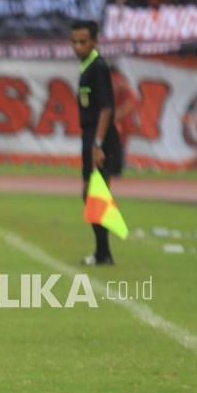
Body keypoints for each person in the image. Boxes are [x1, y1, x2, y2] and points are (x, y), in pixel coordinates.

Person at [70, 20, 123, 266]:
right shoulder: (87, 66)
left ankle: (104, 254)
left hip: (99, 138)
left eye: (83, 41)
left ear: (94, 41)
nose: (78, 46)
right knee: (89, 194)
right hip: (90, 136)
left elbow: (106, 109)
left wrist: (98, 144)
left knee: (95, 194)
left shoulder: (97, 67)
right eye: (74, 42)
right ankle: (103, 252)